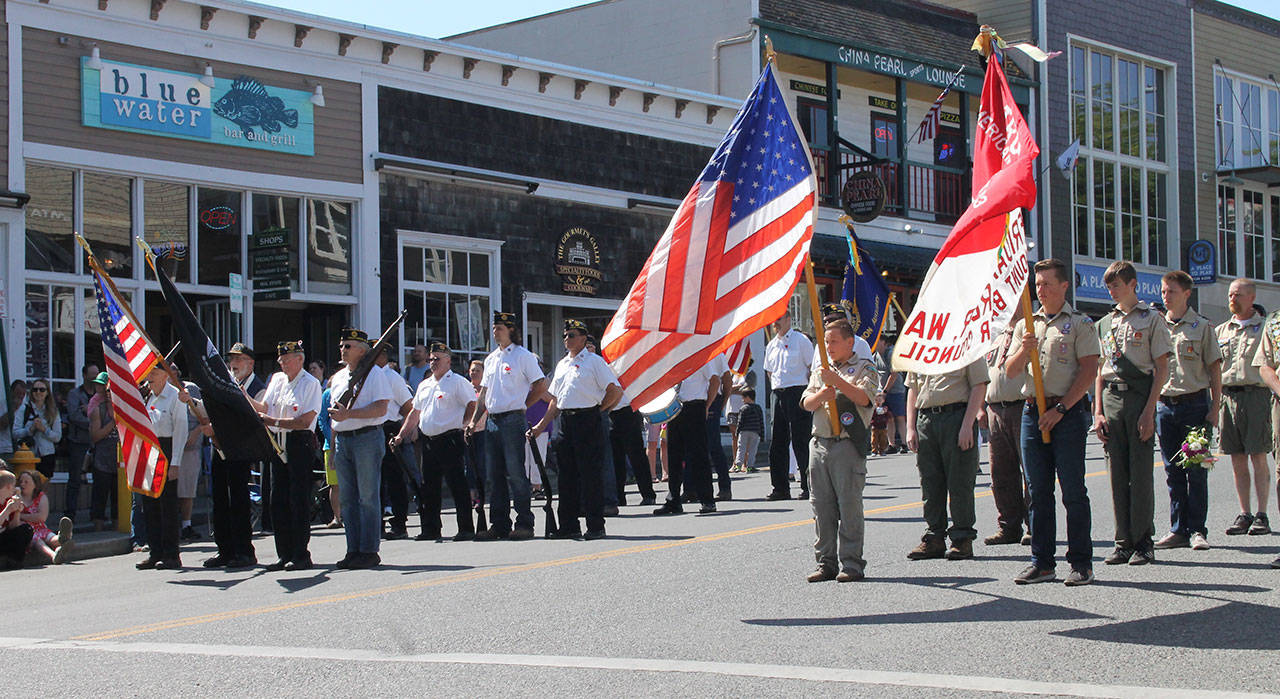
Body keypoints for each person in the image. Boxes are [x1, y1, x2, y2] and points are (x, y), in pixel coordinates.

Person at [1005, 258, 1099, 586]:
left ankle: (1081, 562)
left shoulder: (1080, 323)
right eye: (1037, 284)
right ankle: (1042, 561)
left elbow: (1089, 370)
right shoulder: (1026, 325)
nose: (1040, 290)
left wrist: (1060, 410)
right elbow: (1010, 370)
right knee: (1037, 490)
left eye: (1046, 284)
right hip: (1032, 412)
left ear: (1063, 286)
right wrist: (1023, 349)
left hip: (1066, 413)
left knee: (1073, 490)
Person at [1095, 260, 1171, 566]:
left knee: (1140, 473)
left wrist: (1149, 411)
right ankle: (1122, 540)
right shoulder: (1104, 324)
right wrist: (1097, 412)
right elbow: (1099, 371)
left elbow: (1162, 369)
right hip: (1111, 398)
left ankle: (1143, 540)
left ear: (1132, 285)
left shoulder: (1151, 319)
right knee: (1116, 473)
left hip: (1140, 397)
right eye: (1109, 286)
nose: (1112, 291)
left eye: (1116, 285)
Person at [529, 319, 622, 539]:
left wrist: (600, 410)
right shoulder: (562, 364)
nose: (567, 339)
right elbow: (555, 401)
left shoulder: (594, 362)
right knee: (566, 477)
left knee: (590, 476)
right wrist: (540, 426)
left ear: (583, 337)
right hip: (567, 423)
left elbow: (615, 390)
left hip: (588, 419)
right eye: (565, 336)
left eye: (571, 335)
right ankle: (569, 525)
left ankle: (595, 525)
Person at [801, 320, 878, 582]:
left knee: (849, 506)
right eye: (826, 342)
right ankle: (826, 562)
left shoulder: (864, 367)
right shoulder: (821, 369)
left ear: (849, 343)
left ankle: (852, 564)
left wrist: (838, 383)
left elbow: (864, 398)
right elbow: (807, 402)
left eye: (834, 342)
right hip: (820, 442)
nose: (829, 347)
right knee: (821, 507)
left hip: (846, 443)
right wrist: (823, 393)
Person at [1155, 271, 1222, 552]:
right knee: (1172, 471)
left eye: (1171, 291)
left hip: (1195, 405)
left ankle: (1197, 529)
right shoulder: (1156, 326)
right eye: (1163, 291)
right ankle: (1177, 529)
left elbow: (1215, 368)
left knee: (1195, 469)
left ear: (1186, 294)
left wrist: (1215, 407)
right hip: (1165, 406)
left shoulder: (1202, 326)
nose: (1165, 296)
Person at [466, 311, 547, 541]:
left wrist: (523, 405)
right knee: (494, 475)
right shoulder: (490, 359)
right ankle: (499, 524)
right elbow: (484, 392)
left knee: (515, 473)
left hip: (512, 419)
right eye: (494, 327)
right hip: (493, 420)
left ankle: (524, 523)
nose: (495, 331)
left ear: (511, 329)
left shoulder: (523, 356)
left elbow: (540, 385)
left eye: (500, 327)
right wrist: (474, 420)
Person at [247, 340, 322, 572]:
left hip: (298, 441)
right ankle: (284, 553)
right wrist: (243, 396)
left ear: (300, 359)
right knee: (277, 499)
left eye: (287, 359)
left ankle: (301, 553)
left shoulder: (310, 383)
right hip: (277, 442)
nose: (283, 363)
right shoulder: (277, 380)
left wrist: (273, 422)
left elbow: (305, 420)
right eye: (281, 359)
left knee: (297, 499)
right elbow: (263, 407)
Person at [392, 341, 476, 542]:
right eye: (430, 359)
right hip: (428, 441)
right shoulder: (425, 384)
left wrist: (464, 424)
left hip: (450, 439)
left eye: (437, 359)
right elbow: (415, 413)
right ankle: (430, 528)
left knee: (457, 484)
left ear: (448, 360)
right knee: (429, 486)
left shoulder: (457, 382)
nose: (432, 362)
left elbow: (472, 404)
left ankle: (466, 528)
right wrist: (401, 435)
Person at [905, 358, 987, 561]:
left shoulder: (966, 346)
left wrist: (968, 424)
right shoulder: (922, 347)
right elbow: (913, 390)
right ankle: (934, 537)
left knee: (959, 481)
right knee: (930, 482)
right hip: (926, 418)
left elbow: (979, 385)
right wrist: (910, 427)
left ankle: (962, 538)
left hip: (956, 415)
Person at [329, 328, 393, 569]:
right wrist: (334, 442)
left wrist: (350, 414)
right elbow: (335, 415)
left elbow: (381, 409)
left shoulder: (374, 374)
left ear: (362, 350)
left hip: (367, 437)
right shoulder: (338, 378)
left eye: (348, 346)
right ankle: (353, 549)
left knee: (367, 497)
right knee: (348, 499)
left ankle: (369, 550)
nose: (343, 350)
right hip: (344, 440)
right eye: (342, 345)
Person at [1218, 278, 1274, 537]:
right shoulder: (1221, 331)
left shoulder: (1264, 329)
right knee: (1237, 458)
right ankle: (1245, 512)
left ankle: (1262, 514)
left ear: (1251, 297)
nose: (1232, 299)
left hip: (1257, 396)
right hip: (1229, 397)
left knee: (1258, 455)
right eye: (1230, 294)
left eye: (1238, 294)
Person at [203, 342, 263, 569]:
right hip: (221, 446)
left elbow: (255, 416)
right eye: (232, 359)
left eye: (239, 359)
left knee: (238, 499)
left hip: (241, 447)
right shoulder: (227, 383)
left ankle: (244, 550)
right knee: (220, 498)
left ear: (250, 362)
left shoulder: (256, 387)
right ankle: (225, 549)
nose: (233, 364)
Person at [983, 312, 1031, 546]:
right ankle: (1009, 526)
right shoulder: (996, 334)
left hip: (1022, 406)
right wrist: (982, 406)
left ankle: (1034, 525)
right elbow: (986, 372)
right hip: (995, 409)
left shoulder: (1030, 330)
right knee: (1000, 472)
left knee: (1030, 470)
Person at [653, 355, 722, 515]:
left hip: (694, 406)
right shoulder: (675, 356)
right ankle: (673, 500)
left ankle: (707, 500)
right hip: (675, 408)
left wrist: (707, 405)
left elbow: (715, 380)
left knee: (699, 455)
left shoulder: (701, 354)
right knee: (674, 456)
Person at [137, 364, 189, 570]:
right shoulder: (146, 396)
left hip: (167, 449)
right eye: (149, 373)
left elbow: (181, 430)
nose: (150, 377)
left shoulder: (175, 396)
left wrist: (175, 462)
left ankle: (171, 555)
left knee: (167, 505)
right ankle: (155, 551)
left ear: (166, 375)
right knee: (149, 504)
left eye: (155, 373)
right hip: (149, 450)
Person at [764, 311, 813, 500]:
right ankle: (780, 487)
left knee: (801, 440)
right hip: (778, 392)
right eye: (773, 321)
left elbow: (811, 368)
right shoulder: (771, 345)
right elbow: (769, 371)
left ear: (788, 319)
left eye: (778, 319)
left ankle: (808, 485)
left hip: (797, 391)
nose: (775, 324)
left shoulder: (801, 340)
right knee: (777, 442)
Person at [377, 350, 416, 541]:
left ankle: (399, 522)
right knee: (374, 480)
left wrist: (394, 418)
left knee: (394, 479)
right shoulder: (367, 376)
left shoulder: (391, 377)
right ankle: (376, 524)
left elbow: (408, 406)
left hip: (388, 428)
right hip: (371, 429)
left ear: (383, 356)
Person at [64, 364, 99, 521]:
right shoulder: (74, 394)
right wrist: (94, 422)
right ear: (84, 375)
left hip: (98, 441)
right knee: (75, 479)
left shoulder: (101, 396)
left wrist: (90, 412)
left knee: (99, 479)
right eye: (91, 375)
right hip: (79, 441)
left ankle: (96, 514)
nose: (94, 379)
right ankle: (70, 514)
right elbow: (73, 416)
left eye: (96, 375)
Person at [17, 471, 74, 565]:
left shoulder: (41, 497)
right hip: (27, 531)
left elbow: (41, 517)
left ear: (35, 484)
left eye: (26, 482)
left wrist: (21, 516)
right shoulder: (16, 497)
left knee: (51, 537)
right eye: (21, 481)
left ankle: (63, 537)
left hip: (41, 528)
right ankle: (54, 555)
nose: (22, 484)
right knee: (38, 541)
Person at [175, 373, 205, 541]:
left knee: (187, 490)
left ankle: (186, 525)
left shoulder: (191, 388)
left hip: (190, 447)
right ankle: (172, 525)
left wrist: (195, 433)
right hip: (171, 446)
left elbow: (203, 415)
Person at [14, 378, 62, 479]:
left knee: (43, 489)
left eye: (42, 390)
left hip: (47, 454)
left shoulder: (53, 411)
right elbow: (14, 433)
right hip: (28, 455)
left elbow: (57, 437)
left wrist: (44, 430)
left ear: (47, 392)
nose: (38, 392)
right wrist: (29, 430)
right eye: (35, 389)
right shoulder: (24, 409)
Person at [88, 372, 118, 531]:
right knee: (100, 496)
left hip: (120, 460)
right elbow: (95, 436)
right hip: (102, 460)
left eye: (111, 391)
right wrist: (114, 422)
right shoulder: (97, 410)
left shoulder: (125, 410)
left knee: (118, 499)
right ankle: (97, 531)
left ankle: (118, 528)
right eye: (107, 391)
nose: (109, 395)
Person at [316, 382, 341, 529]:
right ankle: (337, 517)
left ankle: (352, 516)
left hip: (350, 442)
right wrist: (331, 439)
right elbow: (322, 419)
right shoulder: (328, 393)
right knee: (334, 484)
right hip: (329, 447)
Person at [0, 471, 33, 570]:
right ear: (9, 487)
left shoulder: (8, 501)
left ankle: (15, 561)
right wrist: (8, 510)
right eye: (14, 486)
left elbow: (13, 526)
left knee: (26, 529)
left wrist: (17, 511)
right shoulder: (7, 505)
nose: (15, 489)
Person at [734, 388, 764, 472]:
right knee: (752, 450)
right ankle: (750, 467)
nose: (742, 400)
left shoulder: (743, 408)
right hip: (755, 431)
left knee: (741, 448)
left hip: (744, 431)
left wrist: (737, 431)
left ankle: (738, 466)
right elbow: (761, 421)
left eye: (743, 397)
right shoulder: (758, 408)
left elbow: (740, 422)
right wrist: (762, 434)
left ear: (747, 397)